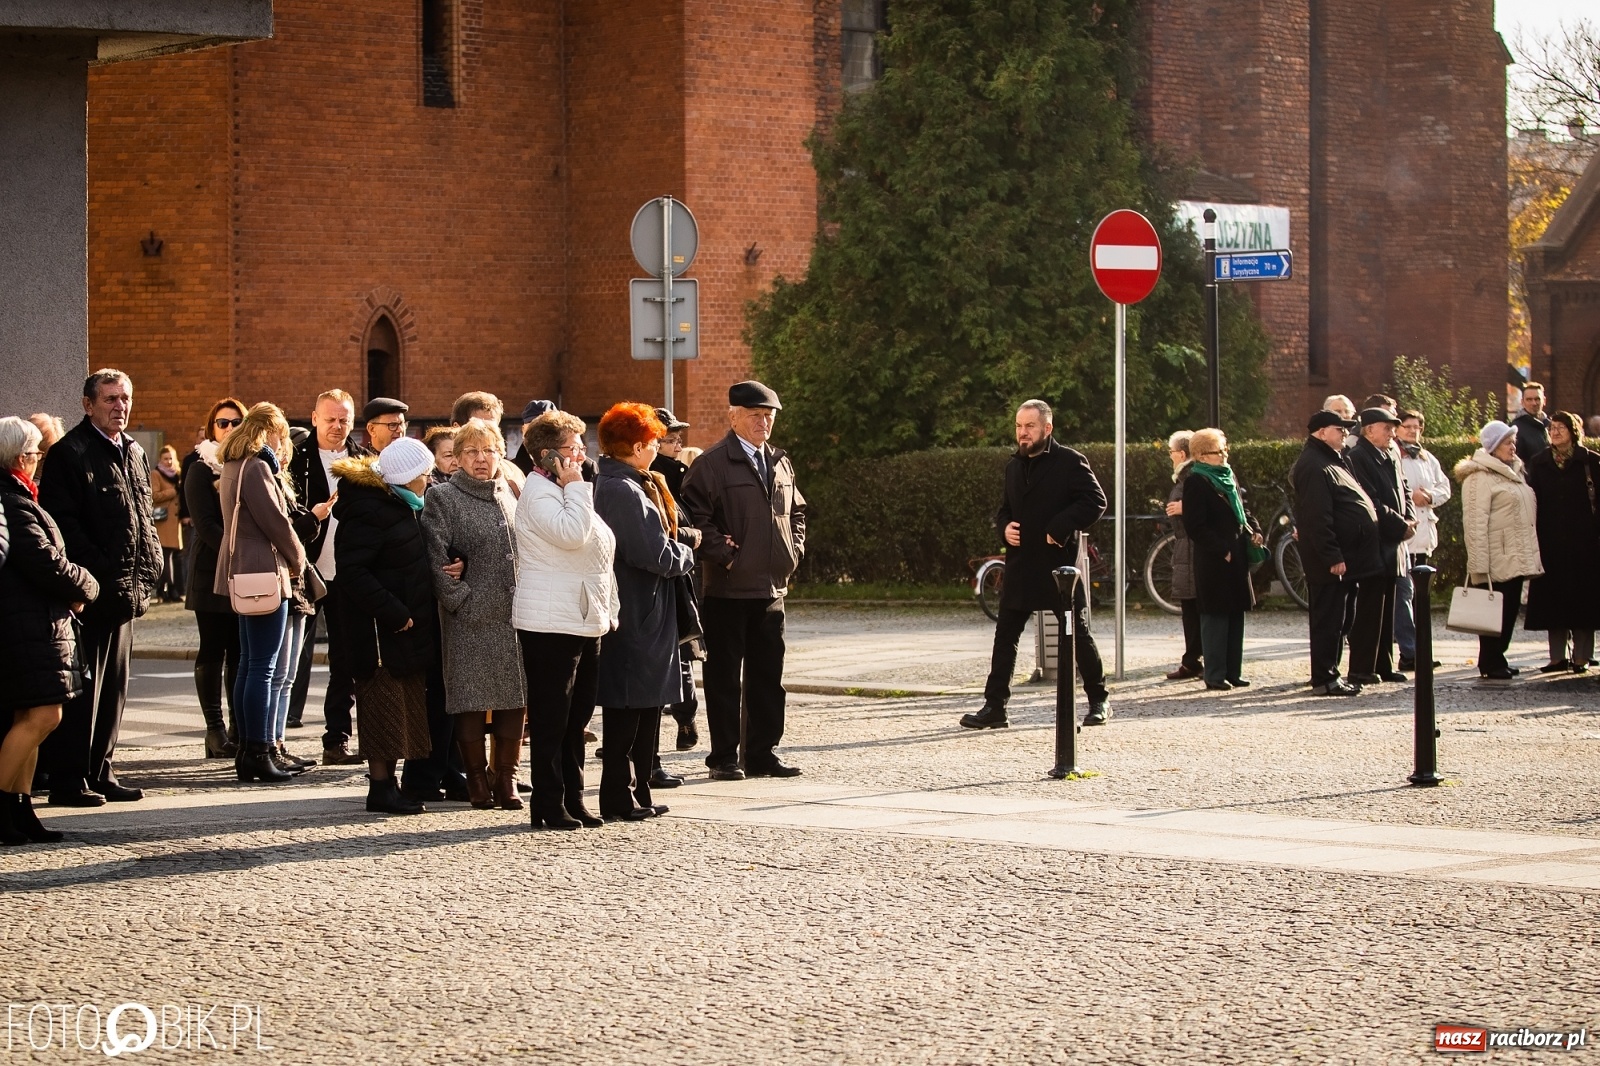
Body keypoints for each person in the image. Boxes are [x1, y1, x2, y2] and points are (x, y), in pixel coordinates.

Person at [37, 370, 162, 806]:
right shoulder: (71, 453)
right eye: (110, 399)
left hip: (127, 591)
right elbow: (63, 526)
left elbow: (143, 517)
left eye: (125, 398)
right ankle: (69, 780)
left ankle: (101, 770)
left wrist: (151, 566)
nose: (119, 406)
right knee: (83, 689)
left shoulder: (132, 451)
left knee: (115, 688)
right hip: (91, 594)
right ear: (88, 404)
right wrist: (103, 571)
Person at [681, 381, 807, 779]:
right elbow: (692, 520)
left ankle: (763, 753)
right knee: (723, 680)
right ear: (733, 416)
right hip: (727, 590)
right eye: (755, 415)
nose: (764, 422)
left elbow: (798, 513)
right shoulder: (713, 463)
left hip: (771, 588)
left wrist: (793, 552)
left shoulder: (780, 462)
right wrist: (726, 554)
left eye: (769, 416)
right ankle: (723, 757)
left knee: (768, 678)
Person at [962, 399, 1110, 729]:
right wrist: (1004, 528)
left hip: (1059, 569)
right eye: (1018, 426)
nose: (1023, 433)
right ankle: (995, 706)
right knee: (1005, 636)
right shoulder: (1013, 466)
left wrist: (1059, 528)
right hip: (1020, 566)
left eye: (1029, 426)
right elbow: (1004, 510)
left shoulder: (1069, 461)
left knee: (1078, 633)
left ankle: (1099, 700)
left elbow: (1096, 501)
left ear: (1047, 428)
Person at [512, 410, 617, 830]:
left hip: (583, 615)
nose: (582, 454)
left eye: (581, 446)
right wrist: (577, 488)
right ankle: (548, 802)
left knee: (578, 717)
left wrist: (611, 606)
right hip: (550, 621)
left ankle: (574, 796)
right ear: (548, 456)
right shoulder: (540, 493)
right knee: (552, 717)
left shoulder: (567, 490)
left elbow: (599, 550)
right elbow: (574, 535)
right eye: (573, 448)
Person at [593, 403, 698, 819]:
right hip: (637, 610)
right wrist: (688, 552)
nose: (658, 447)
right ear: (637, 447)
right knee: (629, 710)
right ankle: (619, 796)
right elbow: (650, 551)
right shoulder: (621, 489)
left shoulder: (629, 482)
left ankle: (637, 794)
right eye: (654, 441)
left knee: (644, 708)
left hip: (646, 608)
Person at [0, 417, 100, 843]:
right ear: (20, 456)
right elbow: (44, 560)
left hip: (36, 621)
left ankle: (21, 809)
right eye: (36, 451)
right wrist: (88, 584)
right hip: (27, 624)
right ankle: (3, 804)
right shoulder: (12, 498)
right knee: (44, 715)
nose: (40, 458)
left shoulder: (20, 495)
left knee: (34, 715)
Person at [420, 418, 528, 811]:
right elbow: (435, 557)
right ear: (459, 458)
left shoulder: (509, 492)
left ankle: (507, 779)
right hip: (469, 618)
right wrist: (459, 598)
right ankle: (477, 779)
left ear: (500, 452)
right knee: (470, 698)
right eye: (471, 452)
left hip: (513, 615)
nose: (481, 459)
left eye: (489, 450)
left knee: (512, 699)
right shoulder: (444, 498)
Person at [331, 436, 439, 813]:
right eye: (425, 474)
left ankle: (389, 785)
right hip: (380, 632)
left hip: (401, 629)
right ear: (407, 477)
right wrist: (394, 611)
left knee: (402, 706)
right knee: (382, 706)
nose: (429, 480)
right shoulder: (371, 510)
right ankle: (381, 787)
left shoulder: (398, 505)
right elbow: (353, 571)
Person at [215, 403, 309, 784]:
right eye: (282, 433)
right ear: (271, 430)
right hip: (263, 573)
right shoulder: (256, 465)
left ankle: (251, 748)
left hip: (242, 570)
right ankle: (259, 749)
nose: (284, 441)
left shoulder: (234, 462)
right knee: (263, 666)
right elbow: (277, 522)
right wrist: (299, 559)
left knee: (250, 664)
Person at [286, 389, 370, 763]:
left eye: (344, 420)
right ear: (314, 417)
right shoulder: (296, 460)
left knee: (345, 658)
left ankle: (336, 740)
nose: (337, 427)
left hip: (348, 572)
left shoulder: (363, 461)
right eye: (330, 419)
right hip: (304, 568)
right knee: (289, 656)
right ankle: (273, 739)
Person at [1291, 410, 1381, 695]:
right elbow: (1317, 517)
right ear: (1320, 432)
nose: (1344, 433)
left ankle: (1332, 674)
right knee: (1328, 620)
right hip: (1330, 561)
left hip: (1347, 556)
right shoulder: (1314, 465)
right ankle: (1325, 678)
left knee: (1340, 619)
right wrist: (1333, 556)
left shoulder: (1331, 460)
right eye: (1338, 428)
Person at [1454, 422, 1543, 681]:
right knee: (1492, 613)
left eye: (1513, 441)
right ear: (1492, 447)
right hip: (1495, 556)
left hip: (1513, 555)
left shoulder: (1513, 472)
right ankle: (1490, 661)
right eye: (1507, 442)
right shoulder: (1479, 476)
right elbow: (1474, 521)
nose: (1513, 446)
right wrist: (1479, 563)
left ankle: (1498, 657)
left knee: (1509, 609)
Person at [183, 398, 247, 757]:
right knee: (213, 649)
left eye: (237, 422)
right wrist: (242, 548)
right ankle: (214, 730)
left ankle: (239, 728)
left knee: (240, 652)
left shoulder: (251, 465)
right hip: (211, 571)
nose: (229, 428)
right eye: (223, 423)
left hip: (245, 573)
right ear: (212, 428)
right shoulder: (200, 467)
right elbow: (205, 525)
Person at [1181, 428, 1264, 690]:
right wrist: (1221, 549)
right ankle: (1215, 674)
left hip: (1237, 553)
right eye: (1219, 451)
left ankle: (1233, 671)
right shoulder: (1196, 482)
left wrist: (1255, 529)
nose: (1224, 455)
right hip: (1214, 559)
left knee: (1236, 614)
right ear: (1202, 456)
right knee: (1215, 617)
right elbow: (1195, 526)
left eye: (1224, 449)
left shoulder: (1228, 476)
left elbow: (1243, 508)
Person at [1523, 411, 1600, 673]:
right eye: (1552, 427)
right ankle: (1556, 658)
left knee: (1584, 600)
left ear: (1573, 432)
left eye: (1561, 428)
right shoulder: (1539, 462)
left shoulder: (1590, 462)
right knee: (1552, 601)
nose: (1554, 432)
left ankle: (1582, 657)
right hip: (1550, 541)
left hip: (1584, 542)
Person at [1346, 408, 1416, 684]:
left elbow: (1404, 489)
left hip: (1393, 542)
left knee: (1387, 607)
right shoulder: (1358, 457)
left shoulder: (1392, 454)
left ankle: (1383, 664)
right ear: (1368, 429)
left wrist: (1408, 517)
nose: (1391, 432)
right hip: (1374, 542)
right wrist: (1400, 524)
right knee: (1370, 608)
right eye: (1386, 427)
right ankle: (1362, 667)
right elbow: (1370, 500)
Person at [652, 406, 701, 753]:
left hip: (681, 579)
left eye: (677, 438)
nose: (675, 443)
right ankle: (650, 752)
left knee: (682, 656)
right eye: (668, 438)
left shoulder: (679, 475)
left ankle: (686, 718)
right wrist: (689, 535)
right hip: (665, 583)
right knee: (673, 660)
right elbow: (663, 532)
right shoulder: (654, 478)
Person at [1394, 409, 1451, 672]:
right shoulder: (1395, 455)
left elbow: (1445, 488)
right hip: (1403, 538)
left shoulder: (1428, 458)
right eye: (1407, 427)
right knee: (1404, 596)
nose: (1412, 431)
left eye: (1417, 427)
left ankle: (1420, 649)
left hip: (1424, 536)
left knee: (1421, 599)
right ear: (1397, 429)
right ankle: (1409, 651)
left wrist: (1428, 495)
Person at [1162, 430, 1203, 681]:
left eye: (1171, 453)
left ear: (1181, 454)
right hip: (1185, 547)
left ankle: (1194, 660)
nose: (1170, 458)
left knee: (1194, 607)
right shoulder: (1187, 476)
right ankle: (1192, 659)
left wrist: (1184, 508)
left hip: (1190, 547)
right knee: (1191, 607)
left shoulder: (1190, 476)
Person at [451, 391, 526, 497]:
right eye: (478, 427)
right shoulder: (440, 473)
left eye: (492, 427)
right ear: (457, 428)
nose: (486, 433)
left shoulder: (513, 472)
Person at [150, 445, 185, 602]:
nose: (169, 461)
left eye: (171, 458)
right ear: (160, 460)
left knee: (173, 556)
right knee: (166, 555)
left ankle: (165, 590)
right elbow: (154, 495)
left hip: (174, 522)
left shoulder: (177, 475)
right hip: (163, 520)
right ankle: (169, 589)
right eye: (165, 458)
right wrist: (173, 491)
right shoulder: (156, 474)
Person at [511, 399, 556, 476]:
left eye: (544, 428)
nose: (537, 433)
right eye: (532, 427)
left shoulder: (575, 466)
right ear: (523, 430)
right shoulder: (512, 470)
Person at [1511, 382, 1551, 464]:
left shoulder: (1551, 426)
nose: (1534, 403)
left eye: (1537, 399)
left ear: (1544, 401)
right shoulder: (1515, 428)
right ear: (1522, 402)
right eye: (1529, 399)